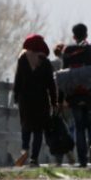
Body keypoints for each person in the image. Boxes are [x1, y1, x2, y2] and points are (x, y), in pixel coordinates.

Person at [59, 23, 91, 167]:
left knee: (79, 127)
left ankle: (82, 160)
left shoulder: (68, 51)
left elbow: (63, 78)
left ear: (74, 36)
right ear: (86, 35)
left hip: (74, 96)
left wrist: (60, 99)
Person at [12, 33, 57, 167]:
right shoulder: (45, 62)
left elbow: (18, 79)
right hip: (41, 100)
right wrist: (54, 102)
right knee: (38, 130)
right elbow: (51, 84)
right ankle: (34, 158)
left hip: (25, 99)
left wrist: (15, 95)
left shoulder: (22, 59)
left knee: (26, 126)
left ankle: (24, 149)